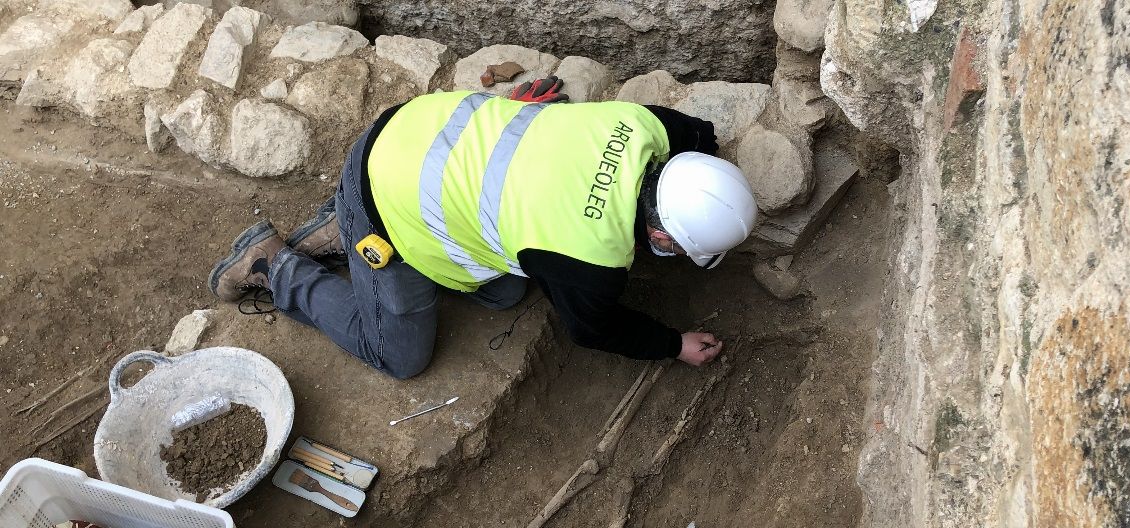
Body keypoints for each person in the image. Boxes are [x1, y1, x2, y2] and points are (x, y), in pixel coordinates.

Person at [208, 77, 758, 379]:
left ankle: (340, 225)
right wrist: (673, 344)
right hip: (386, 191)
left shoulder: (645, 125)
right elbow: (593, 330)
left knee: (508, 290)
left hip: (420, 126)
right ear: (660, 238)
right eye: (682, 249)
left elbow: (701, 135)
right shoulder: (592, 258)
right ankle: (276, 263)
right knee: (398, 356)